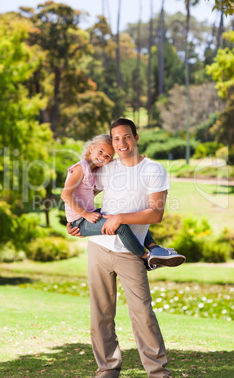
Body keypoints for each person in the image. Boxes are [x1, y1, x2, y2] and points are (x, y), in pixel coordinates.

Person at [67, 118, 175, 377]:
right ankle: (107, 370)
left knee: (142, 315)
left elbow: (155, 214)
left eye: (126, 137)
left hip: (129, 252)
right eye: (116, 139)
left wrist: (121, 218)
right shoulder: (107, 169)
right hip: (98, 249)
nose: (121, 143)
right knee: (100, 315)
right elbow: (80, 191)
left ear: (136, 138)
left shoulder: (153, 170)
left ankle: (158, 373)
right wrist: (79, 222)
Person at [62, 134, 185, 270]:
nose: (103, 157)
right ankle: (147, 259)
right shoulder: (80, 168)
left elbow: (88, 192)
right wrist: (83, 216)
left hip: (85, 216)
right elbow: (65, 195)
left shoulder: (92, 169)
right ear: (91, 148)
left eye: (108, 156)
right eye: (101, 152)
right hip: (81, 220)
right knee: (120, 226)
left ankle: (154, 248)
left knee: (126, 213)